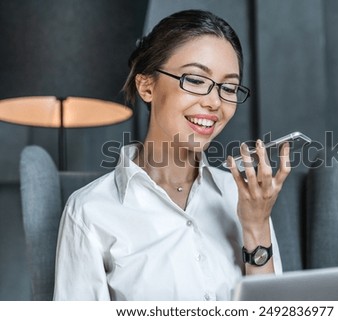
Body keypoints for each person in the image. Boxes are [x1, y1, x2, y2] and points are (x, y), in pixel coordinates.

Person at [53, 9, 291, 301]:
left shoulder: (244, 196)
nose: (215, 101)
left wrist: (256, 229)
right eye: (194, 80)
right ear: (146, 86)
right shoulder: (90, 211)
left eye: (228, 87)